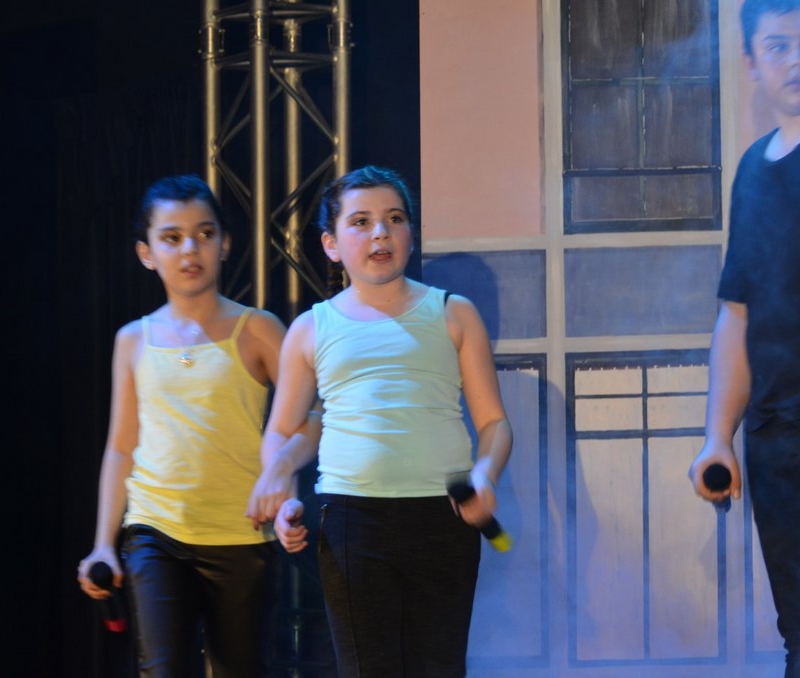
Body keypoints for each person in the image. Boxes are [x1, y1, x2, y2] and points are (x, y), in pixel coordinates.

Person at [245, 166, 513, 677]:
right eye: (361, 222)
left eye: (394, 219)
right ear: (331, 244)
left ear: (411, 233)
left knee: (439, 668)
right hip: (352, 519)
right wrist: (281, 492)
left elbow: (495, 423)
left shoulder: (454, 314)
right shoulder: (311, 327)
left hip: (443, 516)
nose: (380, 233)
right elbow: (282, 430)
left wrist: (485, 475)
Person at [688, 1, 800, 675]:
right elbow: (736, 314)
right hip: (774, 438)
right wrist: (717, 437)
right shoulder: (753, 169)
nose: (798, 59)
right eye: (779, 46)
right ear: (752, 63)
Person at [76, 175, 313, 677]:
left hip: (242, 533)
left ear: (224, 244)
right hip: (155, 531)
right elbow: (121, 448)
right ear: (146, 253)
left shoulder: (258, 329)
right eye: (172, 237)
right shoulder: (132, 340)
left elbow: (313, 412)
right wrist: (103, 543)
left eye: (204, 234)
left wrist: (284, 480)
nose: (190, 249)